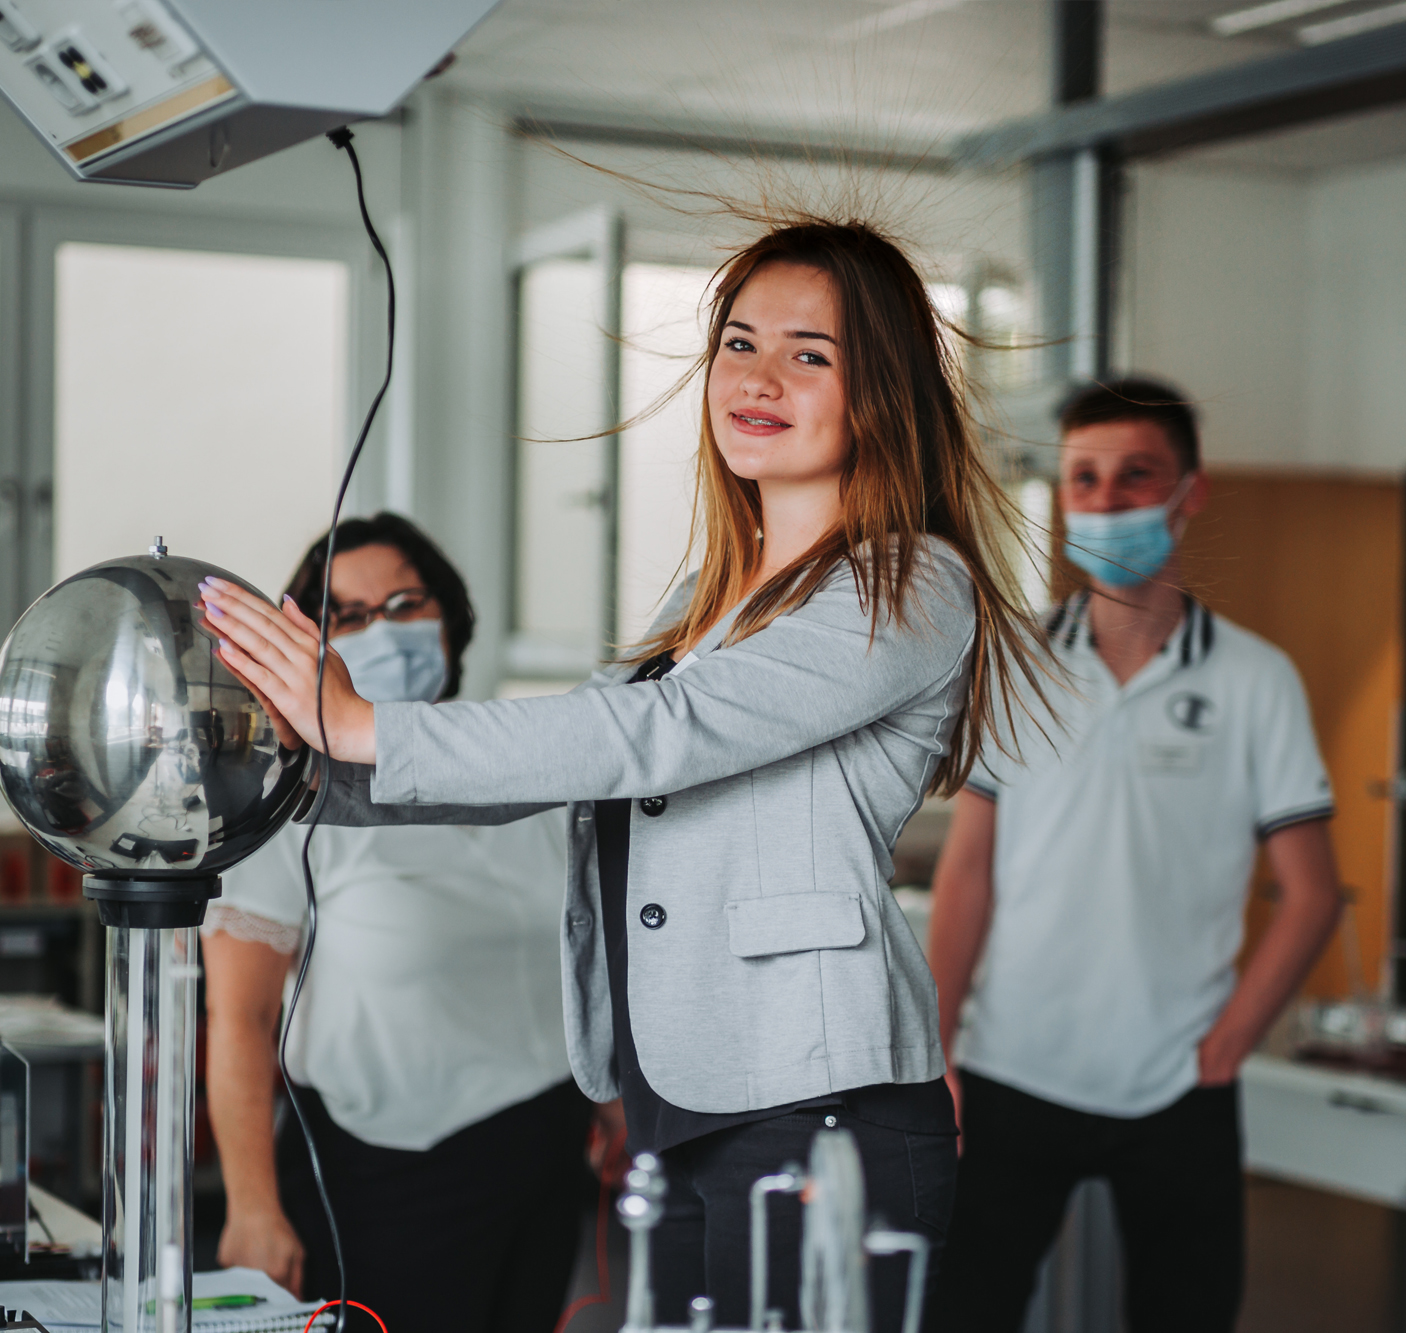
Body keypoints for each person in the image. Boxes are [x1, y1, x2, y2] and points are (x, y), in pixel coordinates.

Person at [200, 219, 1049, 1330]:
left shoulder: (908, 580)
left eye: (809, 354)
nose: (757, 378)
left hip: (817, 1094)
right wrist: (299, 778)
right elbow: (586, 752)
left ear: (881, 388)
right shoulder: (714, 590)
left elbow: (659, 732)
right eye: (738, 344)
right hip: (685, 1099)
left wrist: (363, 724)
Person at [923, 378, 1345, 1332]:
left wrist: (1230, 1040)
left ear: (1189, 492)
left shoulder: (1254, 679)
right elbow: (970, 873)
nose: (1106, 501)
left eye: (1134, 476)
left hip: (1177, 1084)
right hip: (1009, 1071)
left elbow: (1311, 893)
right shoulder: (1012, 662)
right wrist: (936, 1041)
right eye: (1084, 479)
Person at [202, 513, 595, 1333]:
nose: (380, 628)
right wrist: (251, 1205)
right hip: (379, 1171)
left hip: (543, 1151)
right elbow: (239, 1016)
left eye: (405, 601)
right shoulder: (292, 796)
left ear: (449, 617)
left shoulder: (525, 764)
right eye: (344, 615)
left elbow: (583, 957)